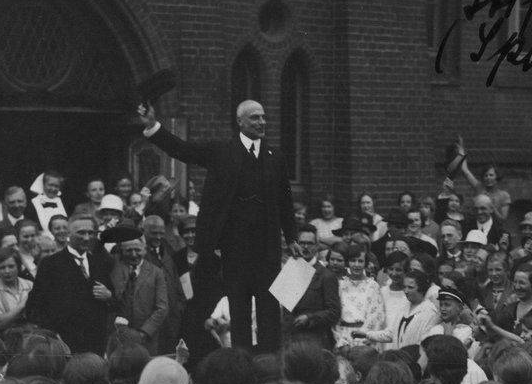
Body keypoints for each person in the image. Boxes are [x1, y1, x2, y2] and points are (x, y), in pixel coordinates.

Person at [139, 100, 299, 353]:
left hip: (266, 247)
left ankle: (269, 366)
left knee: (269, 309)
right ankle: (242, 364)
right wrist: (153, 127)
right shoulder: (221, 151)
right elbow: (183, 150)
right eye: (255, 118)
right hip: (233, 246)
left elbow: (285, 199)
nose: (261, 123)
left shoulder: (274, 156)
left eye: (263, 117)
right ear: (240, 122)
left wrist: (291, 236)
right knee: (239, 309)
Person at [27, 213, 116, 354]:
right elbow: (36, 305)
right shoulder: (51, 264)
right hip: (65, 345)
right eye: (81, 232)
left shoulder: (99, 263)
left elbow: (114, 302)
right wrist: (53, 336)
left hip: (96, 343)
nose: (86, 237)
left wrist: (109, 296)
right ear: (68, 233)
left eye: (90, 233)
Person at [283, 224, 341, 349]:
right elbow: (285, 312)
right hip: (293, 340)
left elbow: (334, 312)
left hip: (317, 339)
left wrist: (310, 318)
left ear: (316, 245)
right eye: (302, 243)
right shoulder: (290, 272)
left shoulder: (326, 276)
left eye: (309, 243)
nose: (305, 247)